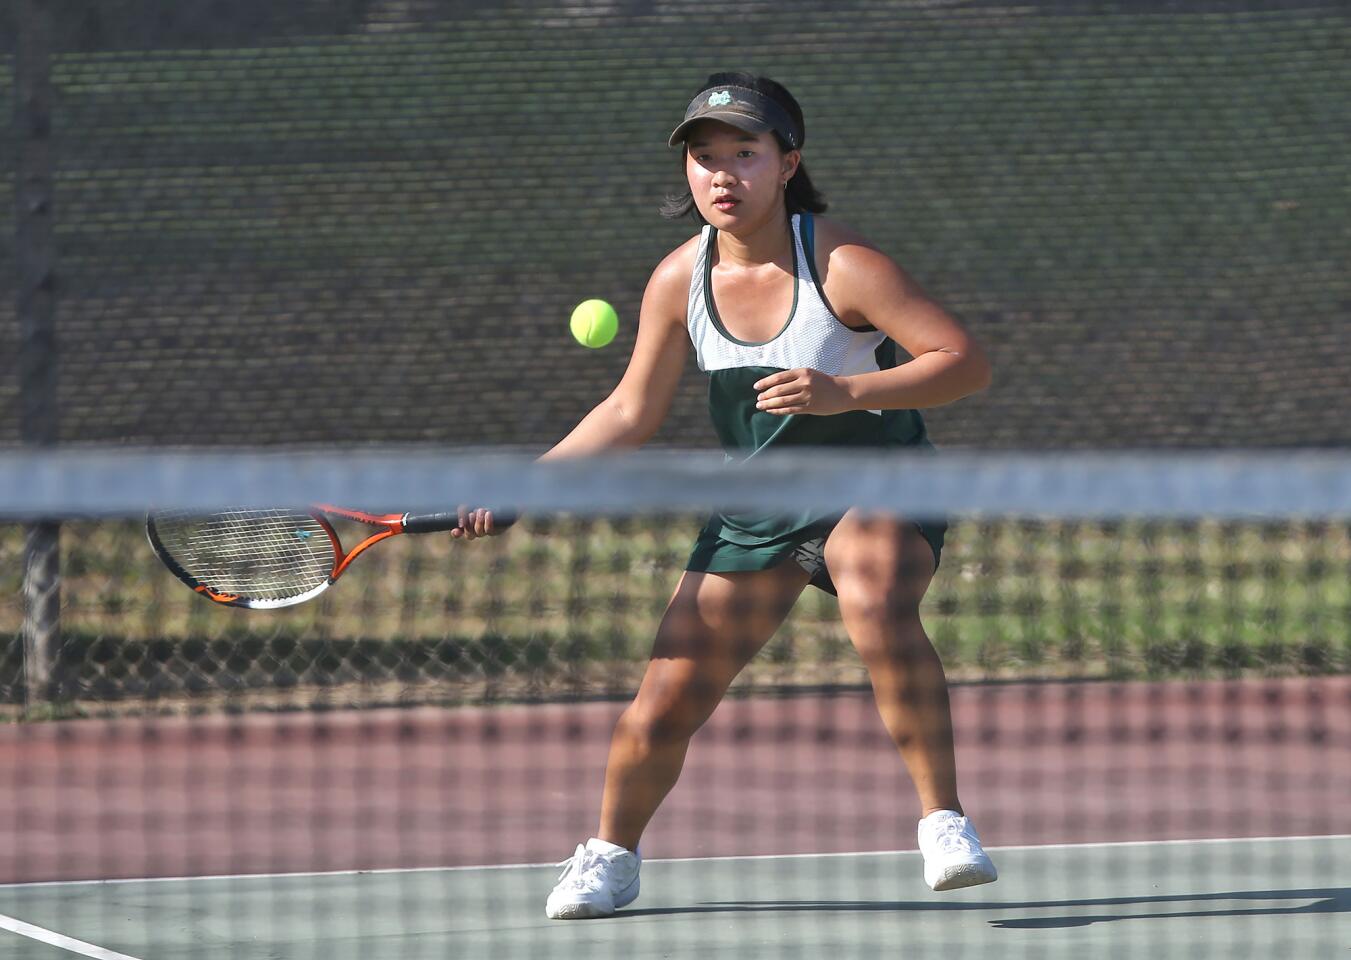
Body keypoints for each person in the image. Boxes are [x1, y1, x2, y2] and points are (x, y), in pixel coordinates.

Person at [456, 71, 997, 920]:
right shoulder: (678, 279)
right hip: (760, 502)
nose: (720, 174)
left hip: (877, 477)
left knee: (877, 598)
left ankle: (943, 820)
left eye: (743, 153)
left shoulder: (845, 265)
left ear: (787, 164)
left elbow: (963, 363)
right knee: (666, 694)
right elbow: (630, 411)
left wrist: (844, 394)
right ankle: (610, 855)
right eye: (704, 158)